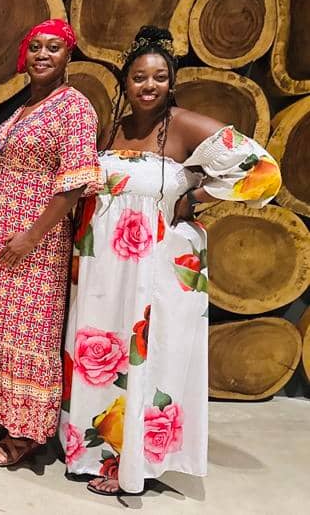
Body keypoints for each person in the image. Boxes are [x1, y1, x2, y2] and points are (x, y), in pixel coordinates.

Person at [60, 26, 281, 496]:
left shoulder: (184, 126)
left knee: (148, 355)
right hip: (104, 268)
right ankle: (97, 452)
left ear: (171, 81)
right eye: (139, 76)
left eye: (159, 77)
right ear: (125, 82)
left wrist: (195, 196)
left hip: (155, 268)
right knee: (103, 355)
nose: (149, 85)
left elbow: (263, 171)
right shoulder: (114, 127)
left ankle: (134, 463)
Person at [0, 19, 103, 466]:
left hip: (37, 238)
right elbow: (3, 166)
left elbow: (74, 183)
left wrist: (31, 237)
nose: (43, 55)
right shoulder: (25, 107)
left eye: (53, 48)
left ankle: (25, 433)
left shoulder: (75, 107)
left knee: (30, 331)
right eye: (36, 47)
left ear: (69, 55)